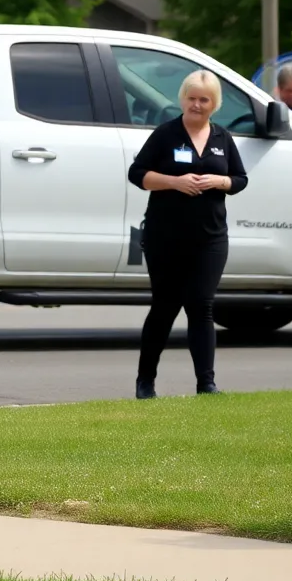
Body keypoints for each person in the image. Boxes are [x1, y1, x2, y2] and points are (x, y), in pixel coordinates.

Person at [127, 69, 248, 400]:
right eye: (191, 98)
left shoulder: (223, 138)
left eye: (204, 100)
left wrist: (219, 182)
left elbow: (239, 179)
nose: (196, 105)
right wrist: (174, 181)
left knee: (201, 305)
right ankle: (145, 381)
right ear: (182, 99)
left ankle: (206, 384)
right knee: (165, 306)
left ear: (214, 104)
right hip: (165, 237)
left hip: (210, 238)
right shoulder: (166, 135)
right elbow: (136, 174)